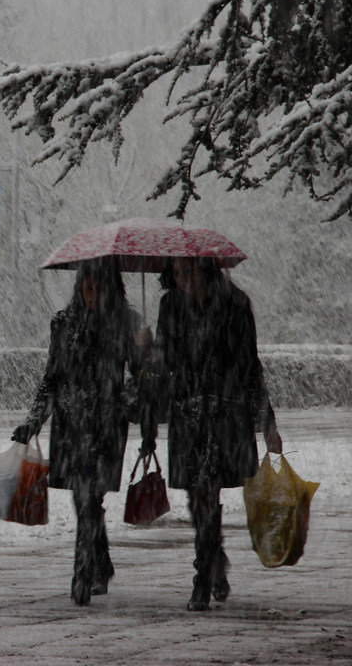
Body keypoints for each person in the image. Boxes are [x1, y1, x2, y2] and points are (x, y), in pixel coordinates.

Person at [141, 256, 282, 611]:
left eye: (189, 270)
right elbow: (164, 363)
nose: (184, 278)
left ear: (206, 268)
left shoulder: (235, 305)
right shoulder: (170, 305)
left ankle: (204, 574)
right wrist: (147, 352)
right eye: (177, 272)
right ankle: (212, 563)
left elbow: (250, 364)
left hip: (225, 415)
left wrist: (268, 424)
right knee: (198, 495)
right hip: (188, 416)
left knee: (206, 489)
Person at [11, 258, 149, 606]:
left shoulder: (127, 324)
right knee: (83, 499)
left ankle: (82, 574)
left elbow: (143, 377)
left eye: (100, 287)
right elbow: (52, 379)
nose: (93, 294)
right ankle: (101, 564)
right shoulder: (64, 323)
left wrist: (129, 399)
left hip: (106, 427)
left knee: (90, 498)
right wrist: (32, 421)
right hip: (71, 427)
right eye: (87, 287)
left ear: (111, 289)